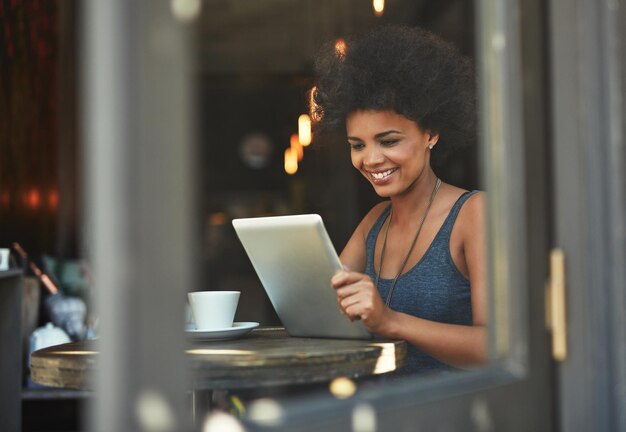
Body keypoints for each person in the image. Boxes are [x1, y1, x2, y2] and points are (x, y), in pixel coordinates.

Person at [311, 25, 487, 374]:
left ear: (431, 134)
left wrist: (390, 321)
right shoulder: (375, 222)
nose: (371, 159)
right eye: (357, 145)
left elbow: (498, 347)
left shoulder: (474, 214)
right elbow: (322, 312)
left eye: (388, 141)